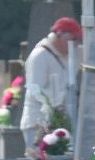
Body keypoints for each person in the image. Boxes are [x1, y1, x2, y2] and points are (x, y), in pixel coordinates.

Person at [20, 16, 82, 144]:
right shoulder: (40, 55)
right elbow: (35, 89)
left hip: (61, 120)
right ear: (59, 36)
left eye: (78, 40)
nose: (76, 44)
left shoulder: (73, 52)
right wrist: (59, 101)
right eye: (73, 39)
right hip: (37, 122)